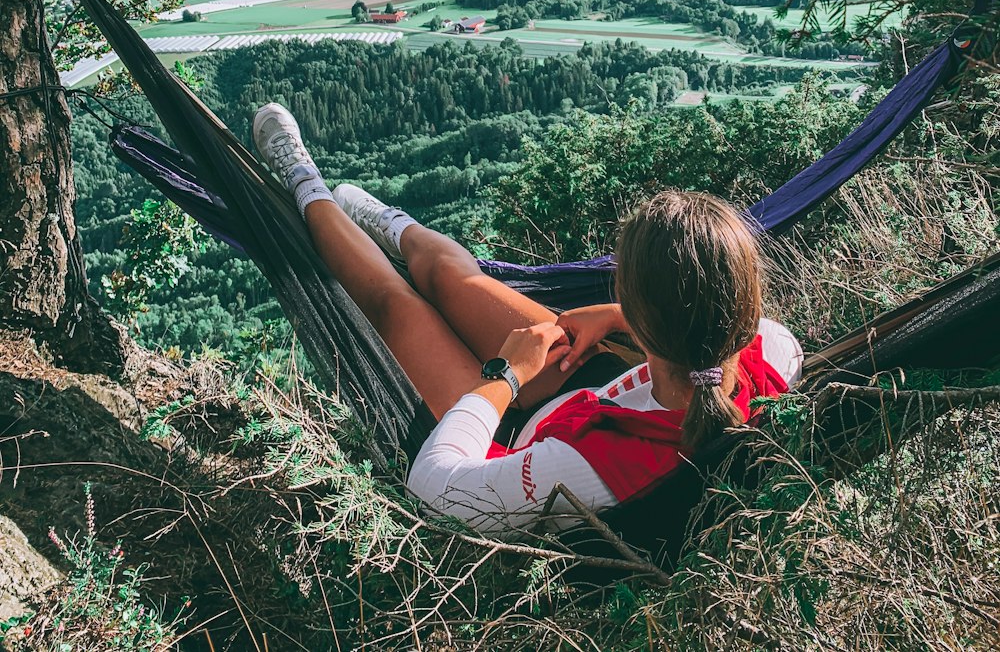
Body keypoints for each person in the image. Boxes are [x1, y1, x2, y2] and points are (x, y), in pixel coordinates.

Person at [253, 103, 802, 536]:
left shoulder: (583, 471)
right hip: (594, 390)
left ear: (650, 321)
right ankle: (386, 222)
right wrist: (614, 317)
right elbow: (717, 325)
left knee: (397, 307)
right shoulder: (771, 352)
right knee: (455, 280)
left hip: (518, 436)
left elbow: (432, 484)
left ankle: (305, 182)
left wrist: (506, 377)